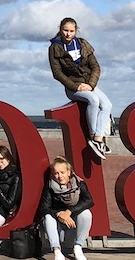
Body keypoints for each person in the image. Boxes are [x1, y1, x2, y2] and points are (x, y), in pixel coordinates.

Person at [48, 17, 113, 159]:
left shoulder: (83, 44)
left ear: (75, 31)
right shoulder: (55, 48)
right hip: (72, 88)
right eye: (65, 30)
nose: (68, 34)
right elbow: (57, 73)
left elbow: (95, 67)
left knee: (107, 105)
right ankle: (92, 136)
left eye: (71, 31)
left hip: (89, 85)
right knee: (93, 101)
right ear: (60, 29)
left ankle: (99, 139)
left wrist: (90, 84)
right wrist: (76, 86)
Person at [38, 156, 94, 260]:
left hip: (73, 227)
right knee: (48, 217)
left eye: (62, 172)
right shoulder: (50, 187)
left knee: (86, 214)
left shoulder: (79, 183)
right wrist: (59, 214)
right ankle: (57, 254)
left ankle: (78, 247)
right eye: (56, 173)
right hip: (59, 229)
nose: (59, 176)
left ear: (69, 172)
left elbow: (89, 201)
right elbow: (44, 208)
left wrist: (69, 212)